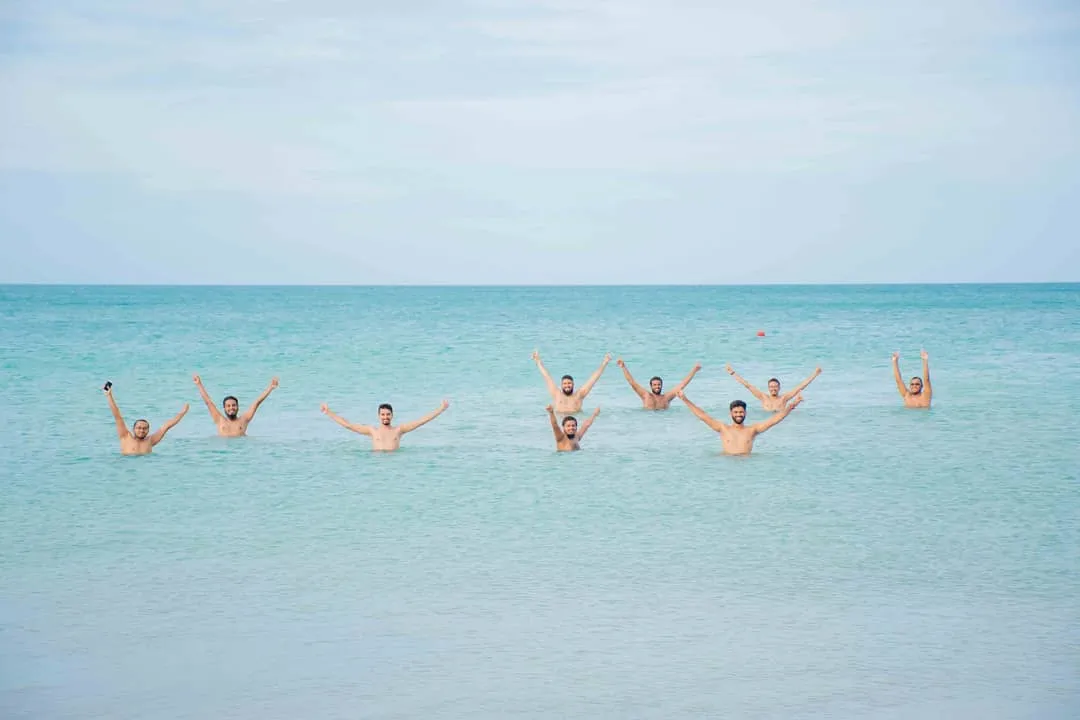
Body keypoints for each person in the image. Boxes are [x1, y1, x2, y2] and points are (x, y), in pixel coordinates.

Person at [677, 391, 802, 456]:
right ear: (731, 413)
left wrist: (790, 407)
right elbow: (702, 416)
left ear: (745, 413)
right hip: (726, 463)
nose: (738, 415)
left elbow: (774, 420)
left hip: (746, 465)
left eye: (741, 412)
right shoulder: (723, 428)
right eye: (736, 412)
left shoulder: (752, 430)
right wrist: (685, 399)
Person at [320, 400, 450, 451]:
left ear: (392, 415)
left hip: (394, 466)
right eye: (382, 414)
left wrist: (441, 409)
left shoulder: (399, 430)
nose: (385, 417)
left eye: (388, 414)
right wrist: (328, 412)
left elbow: (421, 421)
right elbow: (348, 425)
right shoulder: (372, 431)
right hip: (376, 466)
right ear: (378, 416)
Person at [104, 383, 188, 456]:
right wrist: (109, 396)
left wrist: (183, 413)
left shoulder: (150, 441)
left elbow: (166, 426)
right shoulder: (125, 437)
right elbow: (117, 417)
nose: (141, 430)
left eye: (144, 428)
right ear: (133, 429)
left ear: (148, 430)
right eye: (139, 428)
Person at [193, 374, 279, 437]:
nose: (231, 408)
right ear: (224, 408)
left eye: (234, 405)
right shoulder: (219, 420)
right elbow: (208, 402)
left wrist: (270, 388)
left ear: (238, 407)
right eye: (228, 406)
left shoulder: (244, 420)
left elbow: (256, 403)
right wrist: (199, 384)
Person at [532, 350, 611, 413]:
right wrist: (538, 362)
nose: (567, 385)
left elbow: (593, 379)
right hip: (561, 424)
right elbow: (547, 376)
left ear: (573, 384)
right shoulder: (556, 394)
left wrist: (604, 363)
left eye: (569, 383)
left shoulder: (579, 395)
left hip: (575, 423)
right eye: (564, 384)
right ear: (561, 385)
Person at [725, 364, 821, 412]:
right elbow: (747, 385)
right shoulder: (763, 397)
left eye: (775, 386)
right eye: (771, 387)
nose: (773, 388)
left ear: (779, 388)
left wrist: (815, 374)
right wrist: (732, 373)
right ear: (768, 388)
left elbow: (801, 386)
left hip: (780, 421)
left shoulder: (784, 398)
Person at [616, 359, 702, 410]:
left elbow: (682, 385)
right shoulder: (646, 396)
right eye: (655, 385)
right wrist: (623, 367)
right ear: (651, 386)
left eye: (659, 384)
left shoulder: (666, 398)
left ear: (661, 385)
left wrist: (694, 370)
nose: (657, 386)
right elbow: (632, 382)